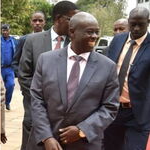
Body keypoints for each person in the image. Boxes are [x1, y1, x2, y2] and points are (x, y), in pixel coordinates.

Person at [26, 12, 119, 150]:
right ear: (72, 32)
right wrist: (46, 137)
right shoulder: (45, 60)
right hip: (44, 143)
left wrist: (82, 130)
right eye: (89, 32)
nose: (94, 36)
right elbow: (36, 100)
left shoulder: (108, 66)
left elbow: (110, 107)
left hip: (84, 144)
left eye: (96, 32)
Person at [18, 1, 78, 149]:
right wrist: (40, 99)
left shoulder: (75, 43)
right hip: (34, 108)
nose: (75, 24)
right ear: (59, 19)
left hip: (63, 114)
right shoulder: (33, 41)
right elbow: (24, 75)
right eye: (72, 19)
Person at [104, 7, 150, 150]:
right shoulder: (117, 40)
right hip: (112, 110)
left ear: (148, 22)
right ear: (128, 22)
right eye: (132, 24)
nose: (135, 28)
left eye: (140, 24)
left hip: (139, 114)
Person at [11, 11, 46, 77]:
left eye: (40, 20)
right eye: (35, 20)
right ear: (31, 22)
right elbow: (15, 62)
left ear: (44, 22)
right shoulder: (23, 39)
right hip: (28, 82)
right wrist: (22, 77)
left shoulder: (51, 39)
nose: (37, 23)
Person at [1, 24, 17, 110]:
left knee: (11, 85)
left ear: (9, 30)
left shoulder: (13, 41)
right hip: (0, 68)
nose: (5, 32)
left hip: (10, 68)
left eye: (6, 30)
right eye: (3, 30)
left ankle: (7, 103)